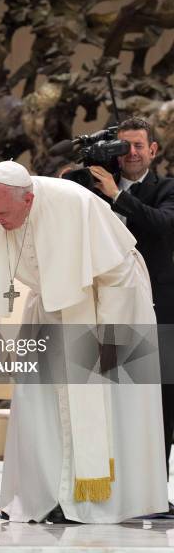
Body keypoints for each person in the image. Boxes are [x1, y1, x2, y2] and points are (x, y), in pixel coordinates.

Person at [0, 160, 168, 524]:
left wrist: (106, 343)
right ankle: (45, 495)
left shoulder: (74, 203)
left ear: (29, 200)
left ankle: (105, 503)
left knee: (109, 400)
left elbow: (116, 273)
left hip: (109, 303)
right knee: (39, 400)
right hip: (50, 306)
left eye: (2, 213)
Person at [88, 116, 174, 498]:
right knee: (110, 397)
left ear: (153, 150)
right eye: (124, 146)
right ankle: (112, 488)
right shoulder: (92, 187)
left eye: (139, 146)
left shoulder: (167, 188)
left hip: (157, 309)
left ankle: (153, 489)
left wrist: (119, 196)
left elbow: (162, 226)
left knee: (159, 402)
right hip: (104, 312)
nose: (132, 153)